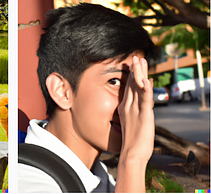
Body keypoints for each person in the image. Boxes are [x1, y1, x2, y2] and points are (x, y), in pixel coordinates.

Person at [18, 3, 157, 193]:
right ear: (62, 91)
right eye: (114, 81)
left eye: (135, 85)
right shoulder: (30, 184)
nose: (130, 103)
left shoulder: (97, 175)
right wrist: (132, 160)